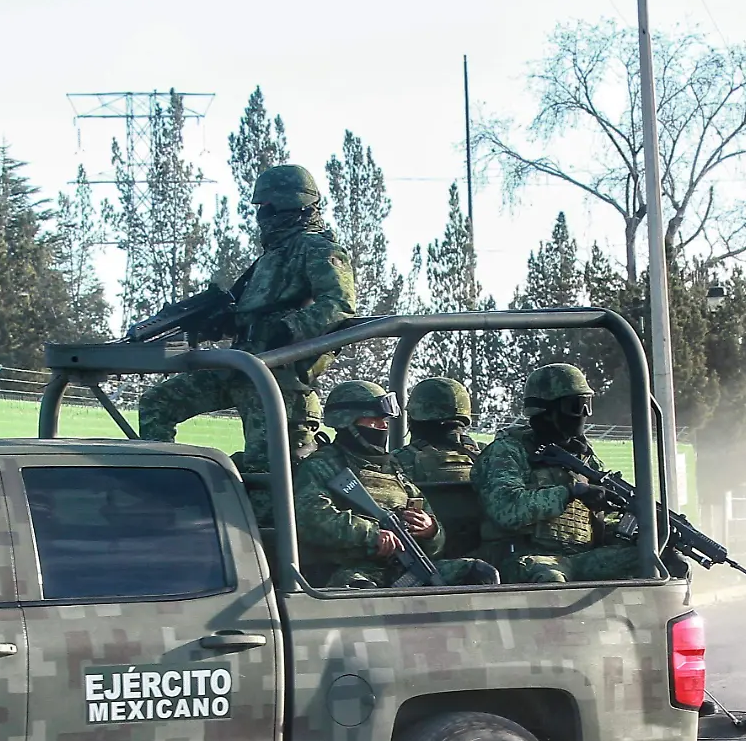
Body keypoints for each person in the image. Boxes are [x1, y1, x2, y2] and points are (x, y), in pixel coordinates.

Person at [137, 164, 354, 472]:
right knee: (157, 403)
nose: (262, 214)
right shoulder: (273, 254)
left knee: (269, 471)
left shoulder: (317, 248)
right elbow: (256, 308)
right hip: (243, 366)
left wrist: (287, 329)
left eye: (267, 206)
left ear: (288, 204)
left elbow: (339, 303)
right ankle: (166, 481)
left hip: (278, 377)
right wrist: (226, 321)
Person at [293, 381, 498, 589]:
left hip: (401, 568)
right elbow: (312, 518)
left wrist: (430, 530)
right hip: (350, 570)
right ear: (347, 421)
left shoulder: (393, 468)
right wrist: (372, 535)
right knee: (361, 590)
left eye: (384, 420)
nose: (383, 427)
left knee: (479, 573)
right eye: (374, 421)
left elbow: (435, 540)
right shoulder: (322, 466)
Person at [474, 363, 653, 584]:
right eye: (575, 406)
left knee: (657, 557)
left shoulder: (584, 458)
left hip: (581, 558)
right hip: (522, 558)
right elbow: (506, 509)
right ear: (546, 411)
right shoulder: (508, 451)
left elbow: (604, 519)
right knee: (552, 580)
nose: (584, 414)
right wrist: (571, 492)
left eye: (587, 405)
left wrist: (633, 529)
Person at [394, 376, 485, 558]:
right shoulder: (487, 458)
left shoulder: (398, 461)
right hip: (486, 558)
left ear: (414, 416)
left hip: (428, 559)